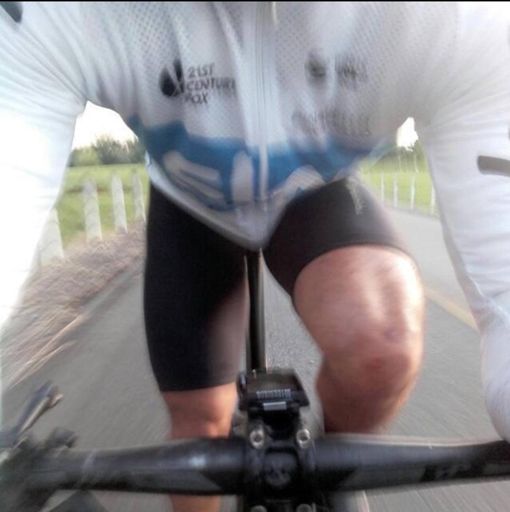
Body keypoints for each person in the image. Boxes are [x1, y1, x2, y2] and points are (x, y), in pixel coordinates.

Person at [1, 2, 510, 511]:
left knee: (382, 349)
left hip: (313, 189)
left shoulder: (453, 18)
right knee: (201, 423)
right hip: (192, 200)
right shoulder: (65, 12)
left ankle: (338, 470)